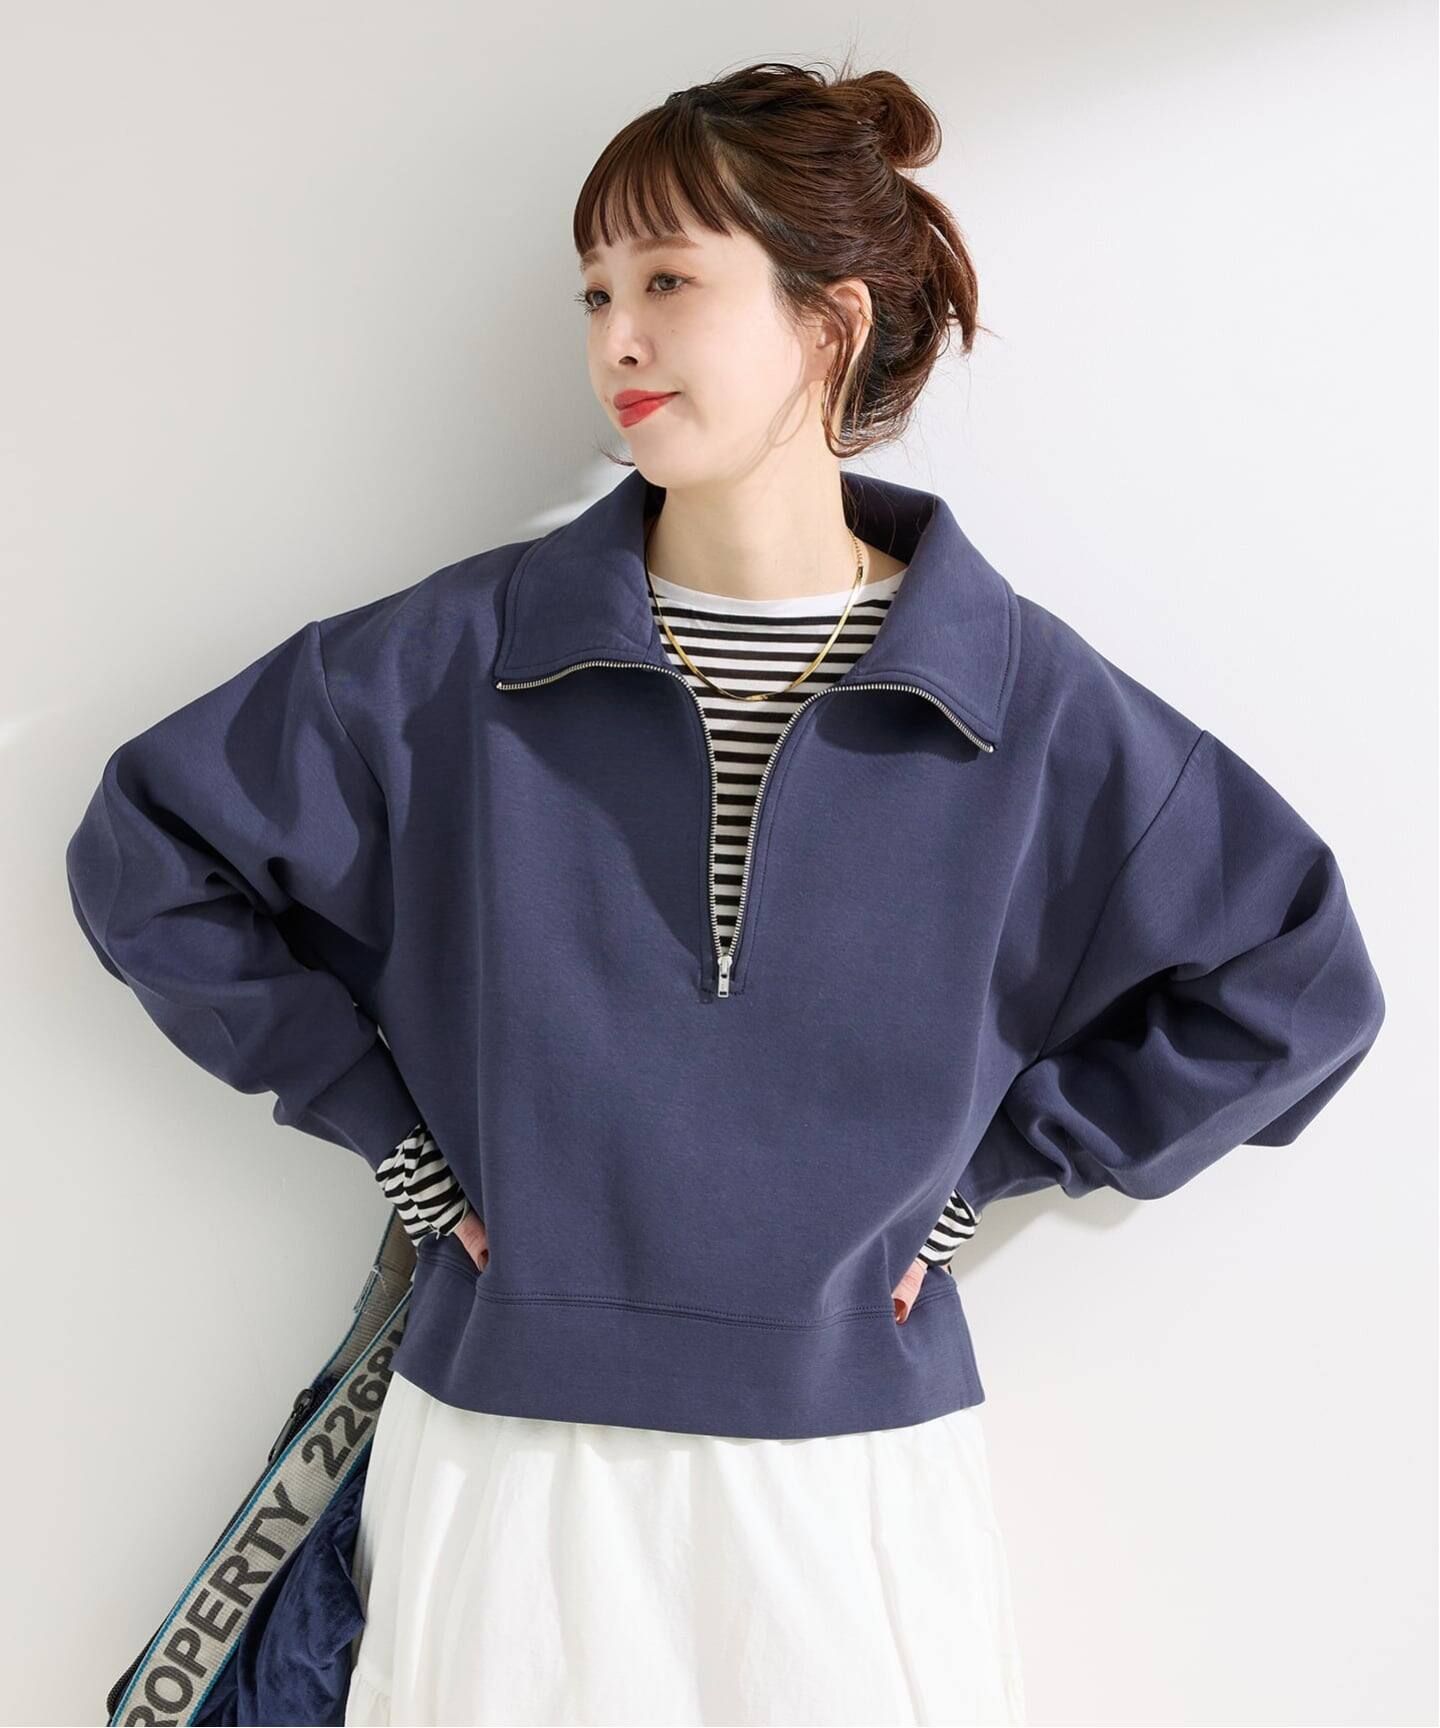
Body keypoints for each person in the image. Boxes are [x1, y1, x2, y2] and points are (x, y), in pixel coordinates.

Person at [64, 58, 1386, 1728]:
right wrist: (391, 1137)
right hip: (513, 1461)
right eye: (595, 292)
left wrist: (989, 1178)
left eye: (669, 283)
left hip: (848, 1484)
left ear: (830, 323)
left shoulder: (1022, 704)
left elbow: (1296, 978)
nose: (615, 338)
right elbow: (150, 851)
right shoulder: (463, 657)